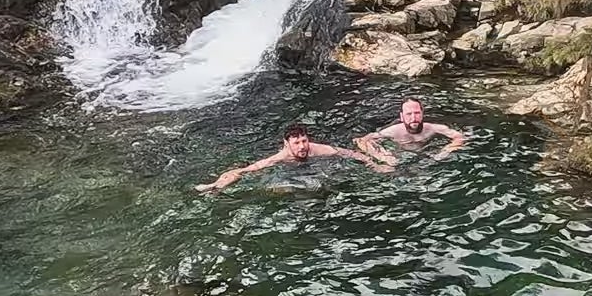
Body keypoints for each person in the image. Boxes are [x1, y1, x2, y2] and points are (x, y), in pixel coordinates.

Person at [196, 121, 389, 192]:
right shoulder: (280, 157)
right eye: (297, 143)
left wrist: (375, 165)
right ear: (287, 144)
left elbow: (350, 153)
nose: (302, 146)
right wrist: (217, 184)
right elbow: (247, 169)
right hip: (290, 172)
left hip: (315, 169)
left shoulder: (319, 150)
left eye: (304, 141)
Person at [357, 98, 466, 165]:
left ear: (422, 114)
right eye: (409, 114)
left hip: (427, 157)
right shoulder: (393, 131)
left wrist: (445, 151)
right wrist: (383, 156)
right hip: (400, 159)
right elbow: (362, 141)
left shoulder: (432, 128)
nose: (414, 117)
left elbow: (459, 137)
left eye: (417, 113)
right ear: (402, 117)